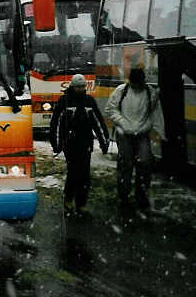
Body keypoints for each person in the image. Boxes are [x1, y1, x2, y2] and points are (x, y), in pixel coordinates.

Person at [104, 67, 165, 210]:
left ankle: (141, 195)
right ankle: (124, 195)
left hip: (142, 134)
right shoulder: (122, 91)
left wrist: (160, 132)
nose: (136, 86)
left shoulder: (150, 93)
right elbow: (110, 109)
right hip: (124, 134)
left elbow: (156, 113)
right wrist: (123, 123)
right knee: (127, 164)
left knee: (144, 164)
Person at [49, 74, 110, 217]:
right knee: (73, 173)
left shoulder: (89, 101)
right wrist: (57, 143)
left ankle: (81, 204)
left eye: (83, 86)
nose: (81, 89)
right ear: (72, 86)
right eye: (78, 86)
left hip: (86, 143)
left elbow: (98, 122)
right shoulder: (64, 101)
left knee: (85, 175)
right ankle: (68, 201)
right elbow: (56, 123)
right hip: (70, 144)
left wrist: (103, 141)